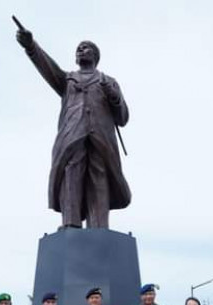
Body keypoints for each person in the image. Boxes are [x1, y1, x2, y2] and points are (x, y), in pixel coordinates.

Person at [16, 27, 130, 229]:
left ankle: (99, 226)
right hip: (72, 135)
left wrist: (114, 96)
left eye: (86, 48)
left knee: (99, 175)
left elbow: (122, 118)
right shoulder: (67, 80)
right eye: (78, 48)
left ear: (95, 56)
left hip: (101, 139)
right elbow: (47, 67)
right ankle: (71, 223)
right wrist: (31, 47)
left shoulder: (108, 82)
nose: (80, 50)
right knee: (71, 172)